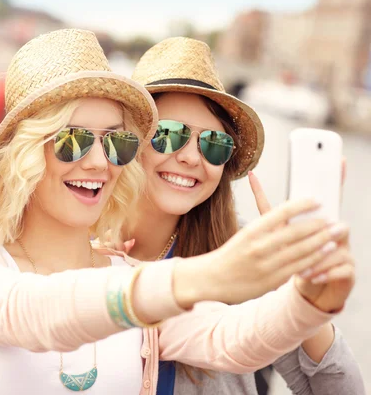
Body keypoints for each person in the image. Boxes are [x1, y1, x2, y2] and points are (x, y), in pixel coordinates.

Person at [0, 29, 346, 395]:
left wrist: (306, 299)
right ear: (24, 154)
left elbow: (231, 339)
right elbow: (30, 313)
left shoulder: (130, 275)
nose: (99, 162)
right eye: (74, 140)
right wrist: (212, 274)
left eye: (116, 142)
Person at [119, 37, 363, 394]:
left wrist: (300, 291)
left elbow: (341, 389)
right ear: (129, 140)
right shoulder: (79, 249)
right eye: (169, 135)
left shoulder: (249, 253)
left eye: (213, 144)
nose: (190, 157)